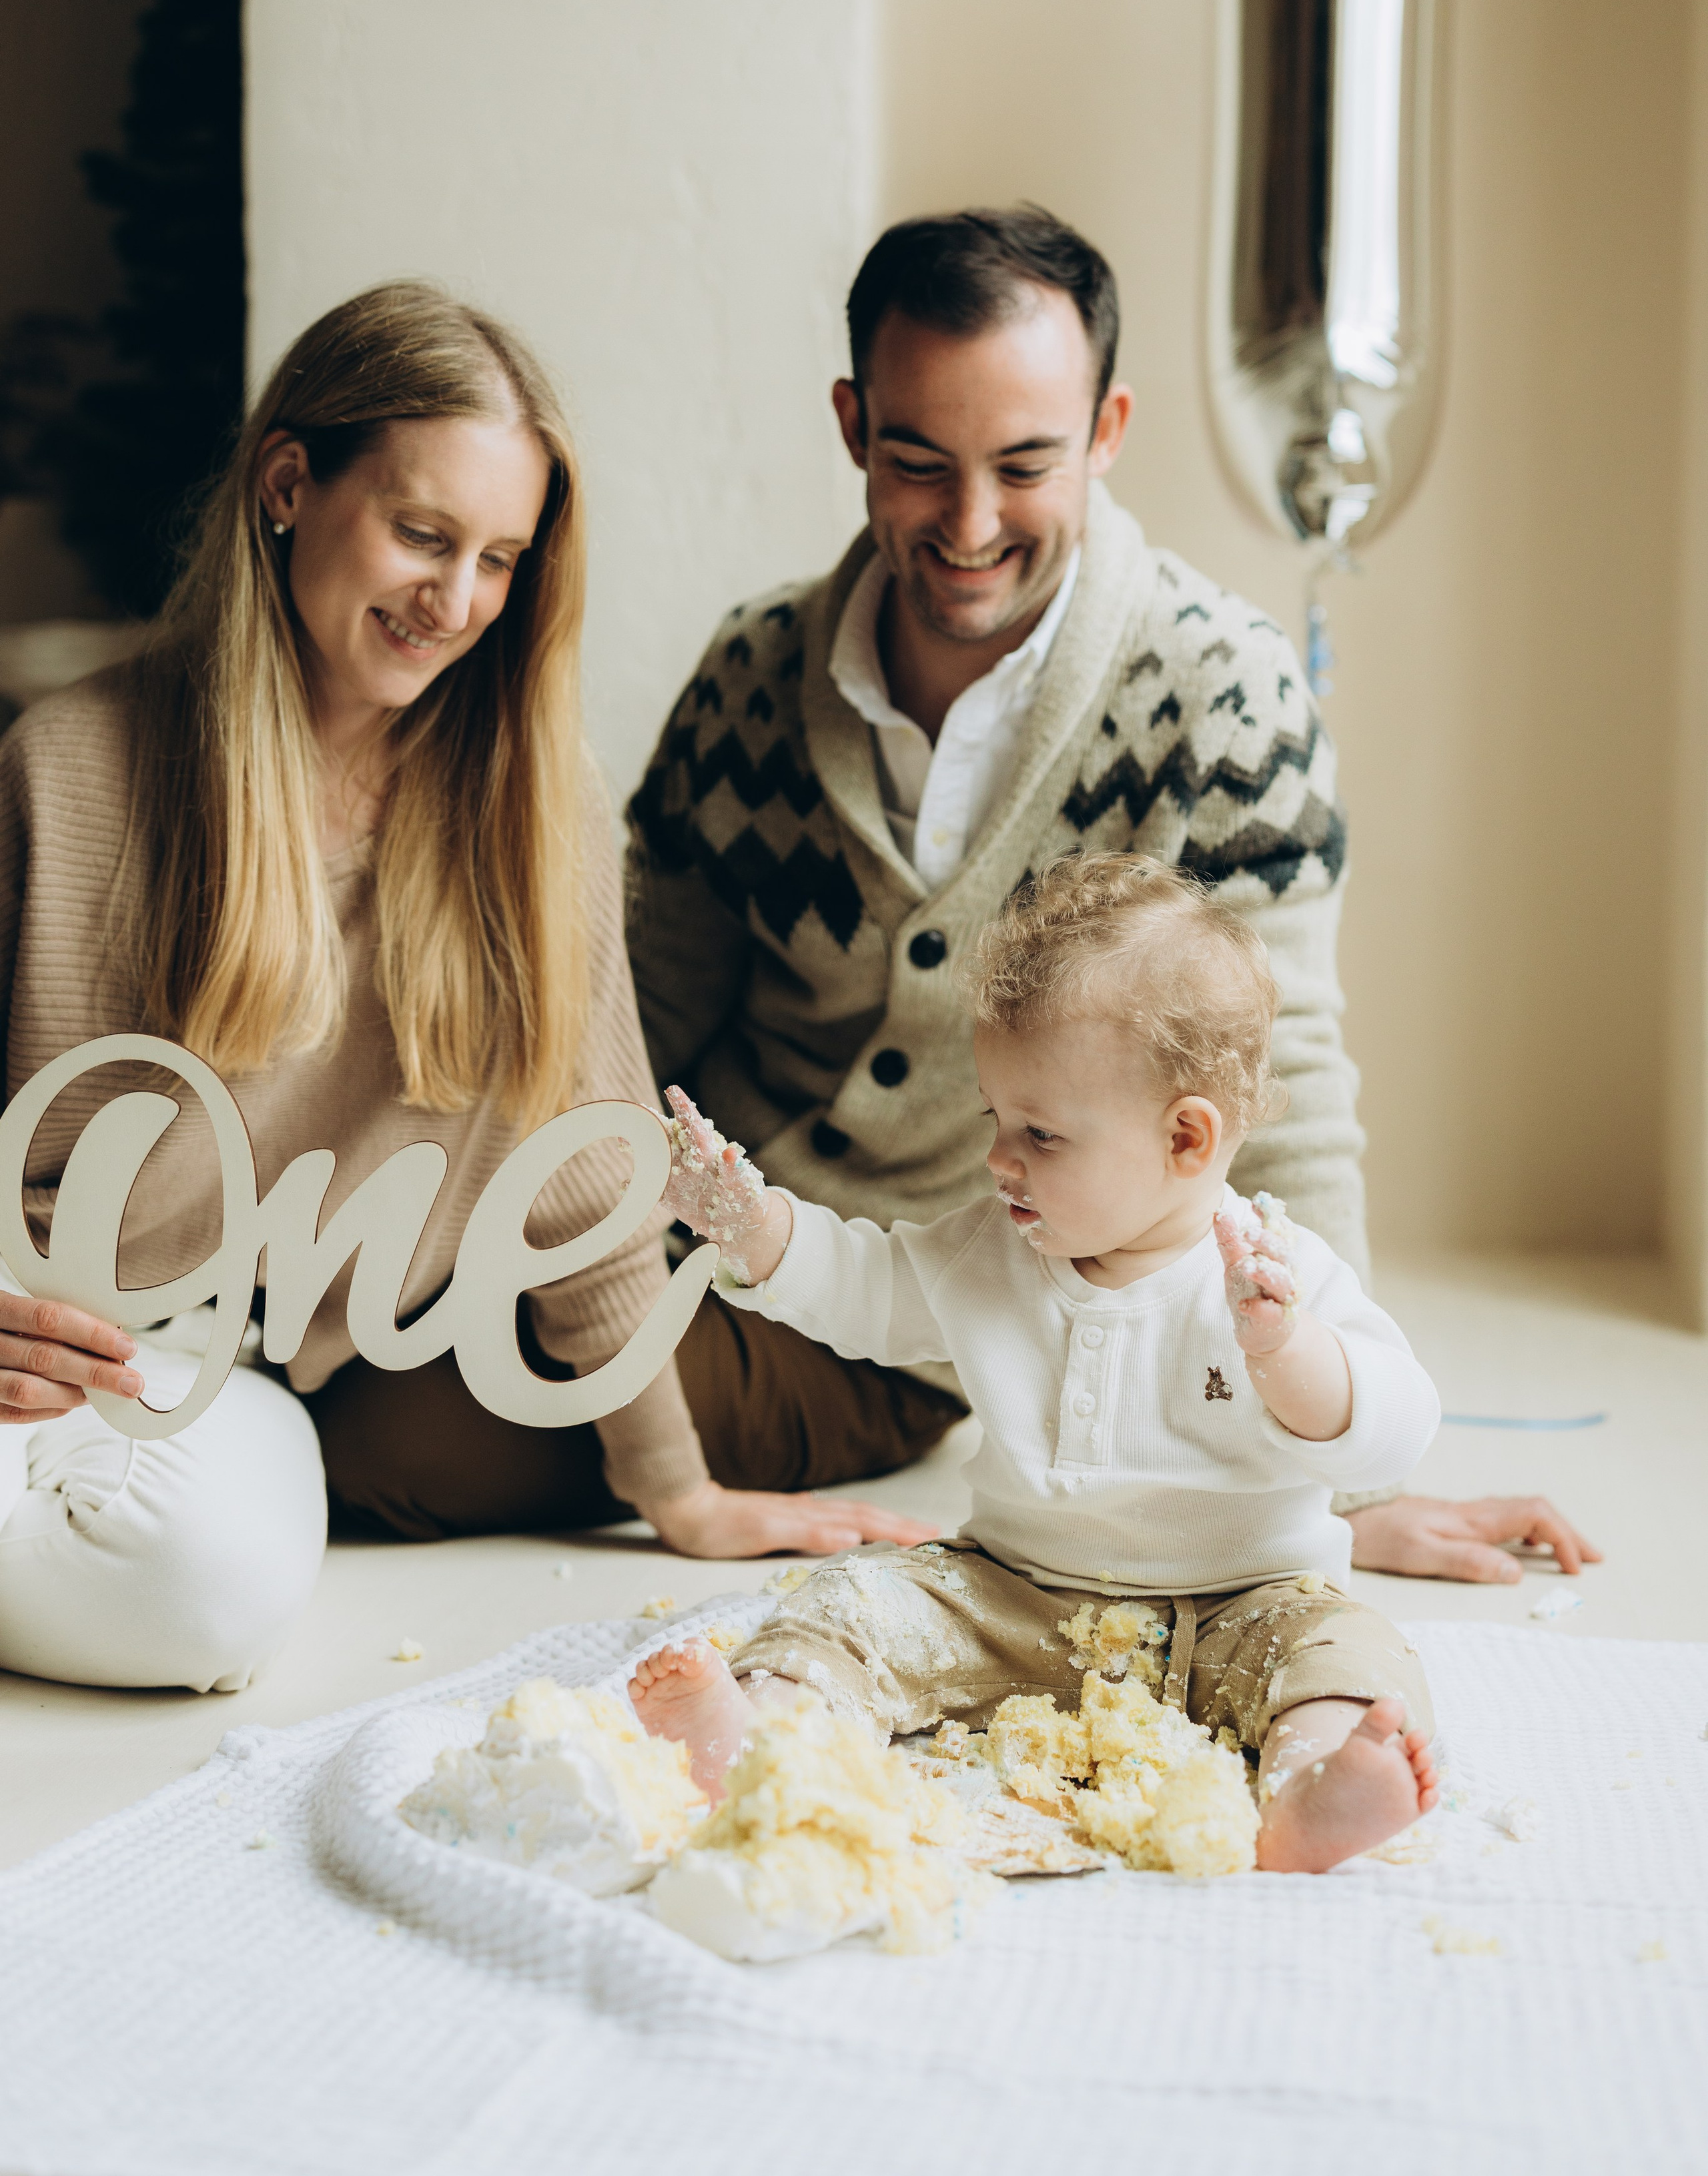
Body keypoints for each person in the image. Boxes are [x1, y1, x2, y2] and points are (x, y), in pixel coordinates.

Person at [626, 205, 1599, 1589]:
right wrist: (554, 1240)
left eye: (1022, 466)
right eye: (916, 462)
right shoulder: (748, 675)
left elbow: (1285, 1080)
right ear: (851, 425)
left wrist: (1352, 1480)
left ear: (1106, 429)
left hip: (937, 1305)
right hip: (736, 1239)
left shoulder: (1222, 695)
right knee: (407, 1340)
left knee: (415, 1439)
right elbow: (633, 1014)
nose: (966, 526)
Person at [0, 283, 927, 1696]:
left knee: (210, 1594)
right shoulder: (65, 768)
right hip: (34, 1350)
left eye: (499, 558)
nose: (456, 602)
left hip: (217, 1387)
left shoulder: (531, 816)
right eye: (423, 535)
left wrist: (679, 1496)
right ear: (289, 485)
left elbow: (587, 1192)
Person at [634, 854, 1441, 1874]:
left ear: (1187, 1138)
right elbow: (869, 1287)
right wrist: (751, 1230)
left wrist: (1292, 1357)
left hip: (1246, 1603)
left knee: (1350, 1658)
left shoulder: (1272, 1274)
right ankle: (763, 1737)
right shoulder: (992, 1247)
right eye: (996, 1120)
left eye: (1042, 1134)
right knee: (850, 1604)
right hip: (1013, 1597)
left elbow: (1400, 1423)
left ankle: (1311, 1791)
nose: (999, 1159)